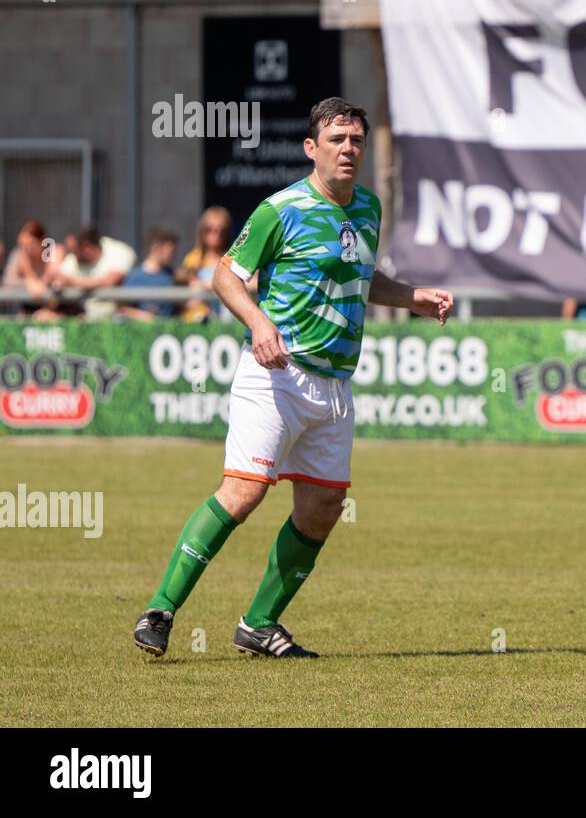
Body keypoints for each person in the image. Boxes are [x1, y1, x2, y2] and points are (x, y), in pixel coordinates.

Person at [132, 97, 454, 660]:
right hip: (276, 374)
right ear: (312, 148)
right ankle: (160, 609)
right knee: (244, 492)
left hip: (335, 385)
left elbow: (360, 275)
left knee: (323, 508)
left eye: (356, 139)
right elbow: (225, 275)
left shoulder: (368, 209)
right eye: (337, 139)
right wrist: (258, 322)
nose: (348, 149)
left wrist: (413, 299)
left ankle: (258, 624)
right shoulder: (279, 209)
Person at [48, 226, 137, 321]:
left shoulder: (119, 251)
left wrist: (72, 282)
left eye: (74, 250)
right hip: (84, 322)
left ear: (87, 248)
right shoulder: (72, 260)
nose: (71, 254)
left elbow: (110, 281)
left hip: (118, 322)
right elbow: (58, 282)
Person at [175, 206, 234, 321]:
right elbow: (187, 294)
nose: (215, 234)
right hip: (198, 320)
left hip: (227, 319)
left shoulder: (233, 257)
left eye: (221, 230)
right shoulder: (193, 259)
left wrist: (207, 285)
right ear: (202, 230)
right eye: (209, 229)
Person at [119, 228, 180, 320]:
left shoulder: (174, 275)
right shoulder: (135, 276)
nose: (174, 255)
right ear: (156, 248)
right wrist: (143, 316)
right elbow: (122, 309)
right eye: (171, 251)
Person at [3, 220, 63, 312]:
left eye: (31, 245)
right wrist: (28, 281)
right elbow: (8, 282)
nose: (28, 250)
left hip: (60, 308)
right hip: (31, 309)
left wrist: (34, 282)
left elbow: (51, 277)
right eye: (23, 246)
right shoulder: (20, 255)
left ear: (43, 240)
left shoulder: (54, 251)